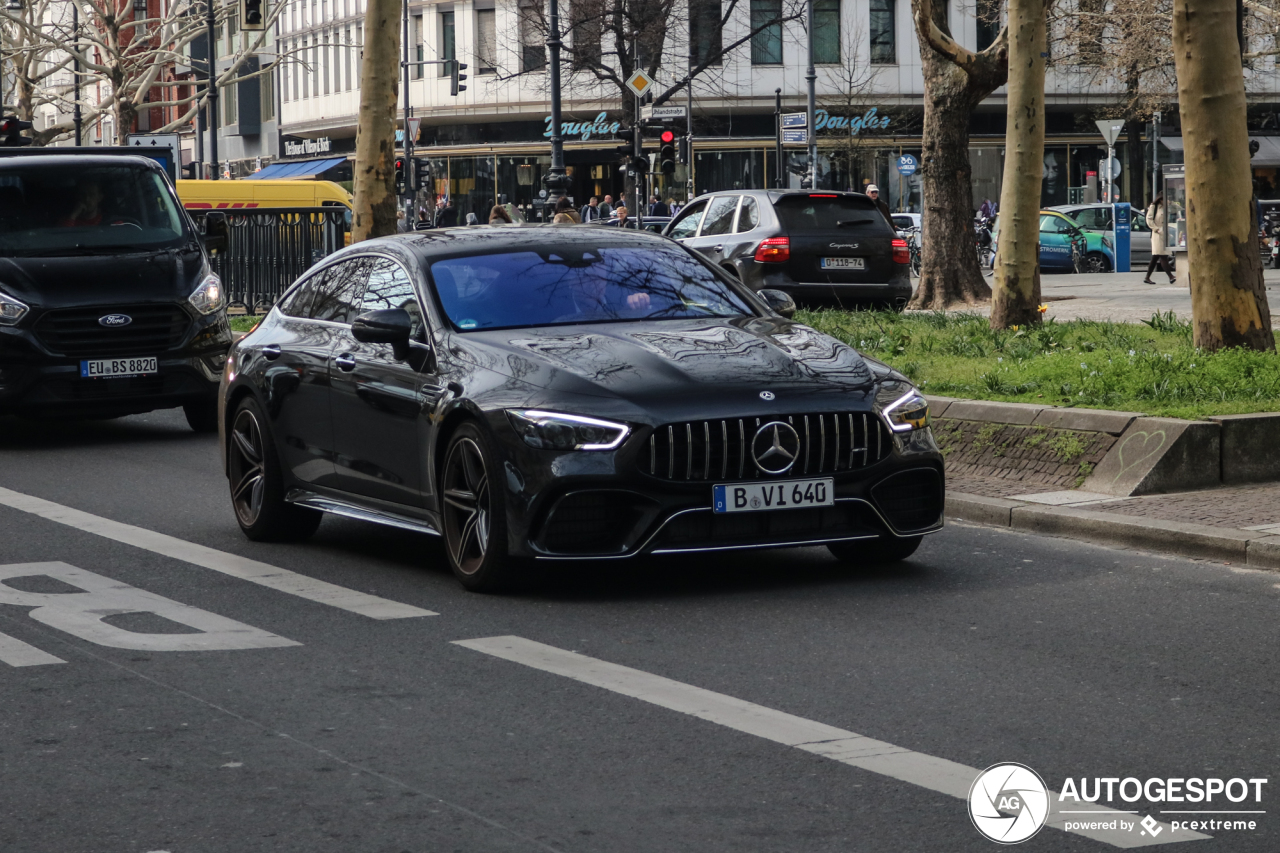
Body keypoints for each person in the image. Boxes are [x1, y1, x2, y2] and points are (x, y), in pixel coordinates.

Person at [1144, 194, 1175, 284]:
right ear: (1160, 200)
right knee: (1163, 255)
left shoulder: (1166, 207)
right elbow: (1149, 220)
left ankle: (1147, 277)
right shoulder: (1153, 207)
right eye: (1165, 199)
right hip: (1157, 233)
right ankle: (1171, 276)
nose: (1167, 201)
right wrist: (1156, 229)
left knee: (1155, 257)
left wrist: (1172, 203)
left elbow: (1178, 209)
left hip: (1164, 233)